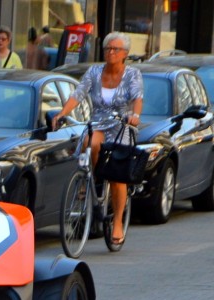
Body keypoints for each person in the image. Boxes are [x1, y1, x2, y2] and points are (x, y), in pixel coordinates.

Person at [52, 32, 143, 246]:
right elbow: (78, 94)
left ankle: (118, 221)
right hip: (99, 122)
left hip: (121, 124)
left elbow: (137, 97)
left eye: (116, 49)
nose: (110, 52)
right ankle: (90, 179)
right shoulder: (94, 72)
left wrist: (135, 115)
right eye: (107, 48)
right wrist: (62, 113)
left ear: (125, 54)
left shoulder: (132, 75)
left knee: (118, 177)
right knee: (90, 142)